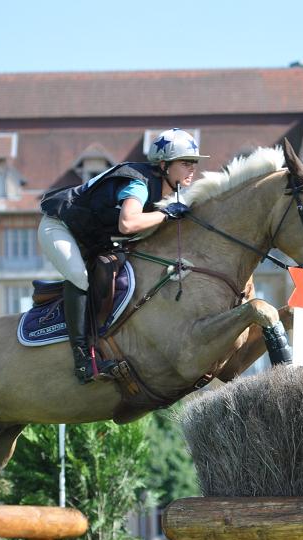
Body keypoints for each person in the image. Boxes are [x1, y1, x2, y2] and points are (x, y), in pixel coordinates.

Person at [38, 128, 208, 384]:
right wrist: (166, 214)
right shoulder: (138, 184)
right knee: (80, 277)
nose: (192, 169)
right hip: (58, 227)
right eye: (185, 163)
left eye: (193, 163)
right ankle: (83, 360)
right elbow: (128, 224)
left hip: (91, 238)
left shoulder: (166, 192)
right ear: (164, 166)